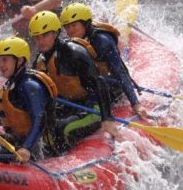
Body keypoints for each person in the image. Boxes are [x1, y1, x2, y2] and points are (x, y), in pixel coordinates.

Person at [30, 11, 121, 152]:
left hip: (92, 108)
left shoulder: (73, 53)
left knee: (63, 129)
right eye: (36, 37)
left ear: (55, 33)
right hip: (69, 105)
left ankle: (62, 162)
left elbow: (100, 83)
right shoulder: (40, 60)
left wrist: (107, 118)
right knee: (44, 126)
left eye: (45, 35)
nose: (40, 41)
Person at [59, 3, 149, 119]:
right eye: (67, 27)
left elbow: (120, 73)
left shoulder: (102, 42)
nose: (70, 30)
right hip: (92, 82)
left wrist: (136, 104)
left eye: (74, 25)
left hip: (111, 84)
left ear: (85, 24)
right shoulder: (73, 41)